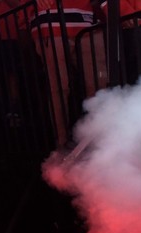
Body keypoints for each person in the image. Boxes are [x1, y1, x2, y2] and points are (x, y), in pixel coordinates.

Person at [31, 0, 107, 146]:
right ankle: (62, 141)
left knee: (98, 83)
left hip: (88, 21)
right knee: (59, 86)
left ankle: (98, 138)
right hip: (52, 20)